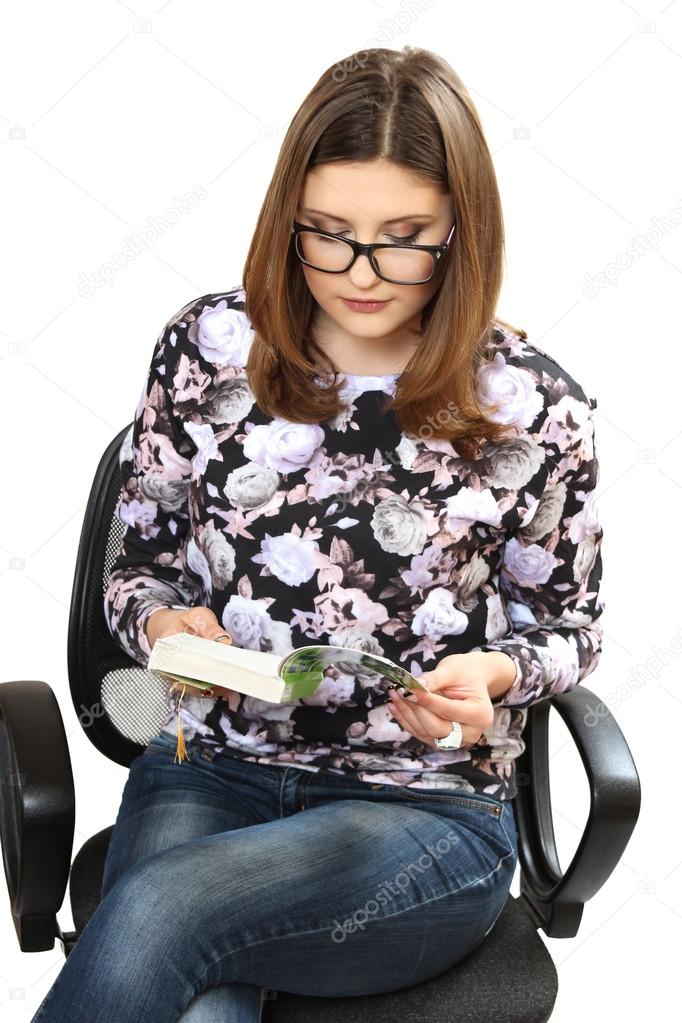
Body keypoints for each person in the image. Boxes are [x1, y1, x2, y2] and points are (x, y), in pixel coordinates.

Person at [30, 44, 604, 1023]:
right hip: (208, 770)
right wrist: (165, 627)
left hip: (420, 814)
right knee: (199, 1001)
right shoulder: (210, 350)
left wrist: (495, 678)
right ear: (286, 218)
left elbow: (568, 623)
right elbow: (140, 564)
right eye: (327, 233)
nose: (362, 272)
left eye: (403, 236)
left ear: (462, 227)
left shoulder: (531, 405)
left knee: (165, 909)